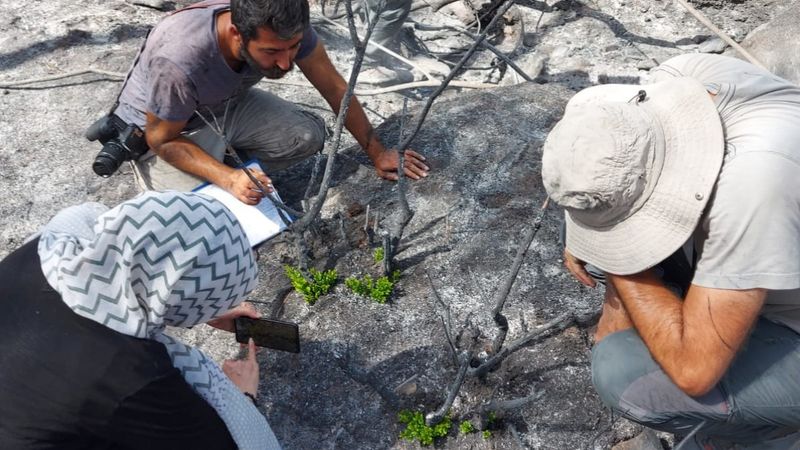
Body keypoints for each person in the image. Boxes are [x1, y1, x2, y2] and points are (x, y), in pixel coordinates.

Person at [541, 53, 800, 448]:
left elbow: (693, 371)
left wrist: (622, 266)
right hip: (766, 244)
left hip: (789, 318)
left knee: (625, 375)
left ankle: (763, 433)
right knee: (603, 256)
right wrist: (605, 247)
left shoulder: (753, 183)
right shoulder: (678, 80)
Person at [0, 191, 281, 449]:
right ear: (175, 294)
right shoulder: (139, 378)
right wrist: (243, 396)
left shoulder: (49, 247)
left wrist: (201, 309)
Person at [114, 0, 428, 206]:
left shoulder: (285, 29)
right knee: (196, 214)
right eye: (271, 52)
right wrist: (227, 177)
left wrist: (378, 152)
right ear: (237, 33)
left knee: (306, 136)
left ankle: (227, 167)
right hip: (174, 130)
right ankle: (220, 174)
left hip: (227, 106)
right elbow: (161, 138)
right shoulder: (181, 60)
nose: (284, 63)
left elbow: (334, 88)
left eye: (292, 48)